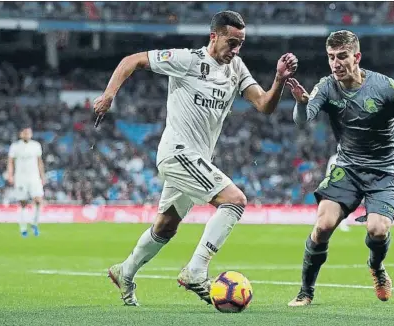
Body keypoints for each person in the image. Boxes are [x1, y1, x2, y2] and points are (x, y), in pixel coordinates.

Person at [93, 10, 298, 306]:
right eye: (231, 42)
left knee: (166, 226)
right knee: (235, 201)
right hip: (178, 153)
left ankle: (125, 271)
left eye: (241, 43)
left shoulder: (236, 68)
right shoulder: (187, 60)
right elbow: (132, 61)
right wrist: (109, 94)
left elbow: (264, 105)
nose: (236, 49)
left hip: (197, 159)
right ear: (214, 36)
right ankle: (196, 270)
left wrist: (279, 79)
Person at [285, 30, 394, 306]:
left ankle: (376, 267)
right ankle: (305, 291)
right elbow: (302, 121)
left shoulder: (385, 87)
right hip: (348, 167)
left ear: (356, 57)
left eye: (342, 56)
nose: (335, 64)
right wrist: (300, 103)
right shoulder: (327, 86)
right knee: (322, 226)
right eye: (331, 57)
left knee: (378, 230)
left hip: (384, 169)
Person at [7, 125, 45, 237]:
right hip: (20, 178)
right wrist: (10, 175)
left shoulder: (36, 146)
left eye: (28, 133)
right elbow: (10, 162)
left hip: (34, 177)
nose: (27, 134)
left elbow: (39, 161)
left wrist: (42, 176)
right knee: (23, 203)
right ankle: (23, 228)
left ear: (31, 134)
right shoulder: (15, 146)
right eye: (25, 133)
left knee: (38, 200)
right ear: (20, 134)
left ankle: (34, 223)